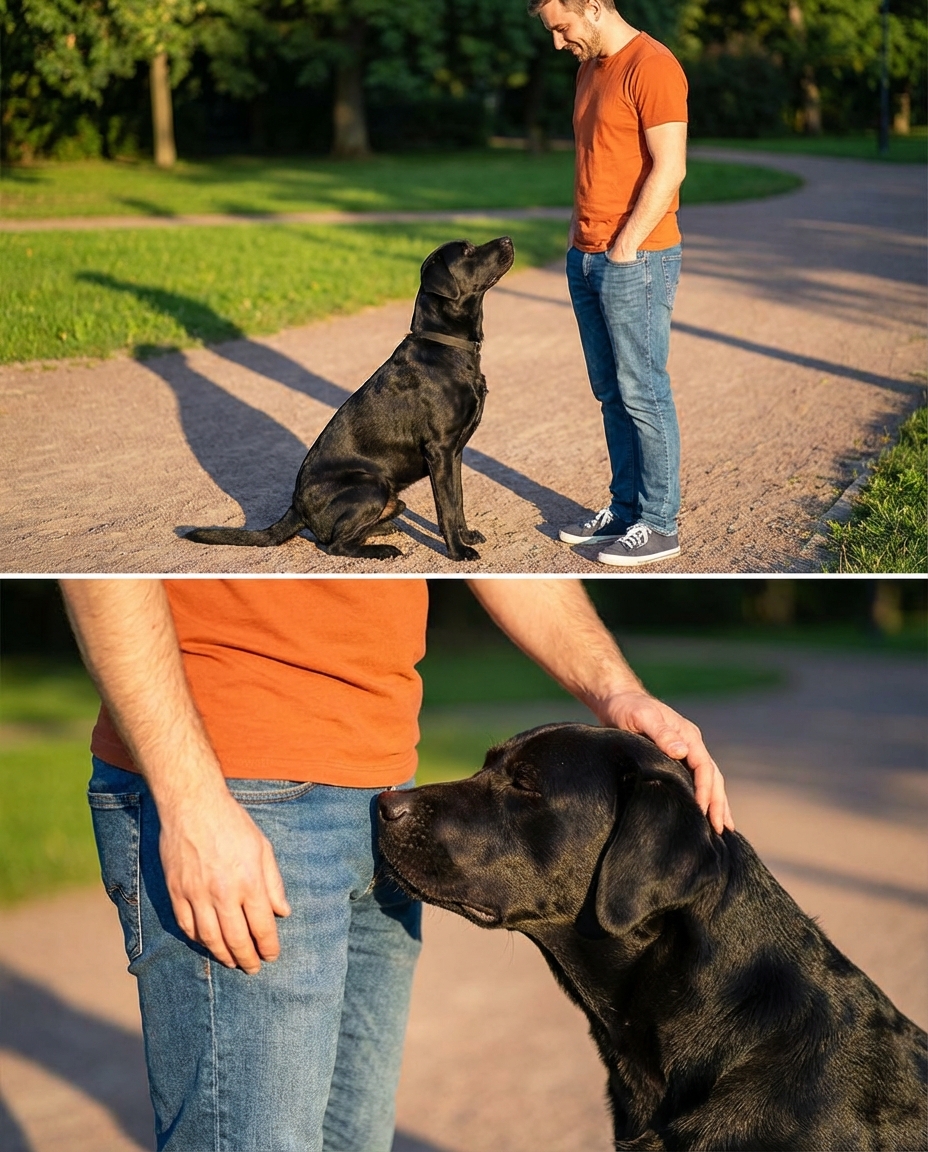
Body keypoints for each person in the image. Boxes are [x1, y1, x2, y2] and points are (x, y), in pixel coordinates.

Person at [60, 577, 731, 1152]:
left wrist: (617, 692)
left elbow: (487, 557)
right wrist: (190, 800)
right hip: (234, 787)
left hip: (378, 784)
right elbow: (98, 572)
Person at [531, 0, 689, 566]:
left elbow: (670, 167)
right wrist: (579, 236)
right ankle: (625, 509)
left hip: (637, 258)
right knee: (611, 392)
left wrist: (624, 247)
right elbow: (594, 157)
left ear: (593, 8)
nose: (558, 42)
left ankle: (659, 523)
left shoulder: (653, 65)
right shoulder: (589, 68)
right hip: (587, 255)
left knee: (643, 390)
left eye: (562, 28)